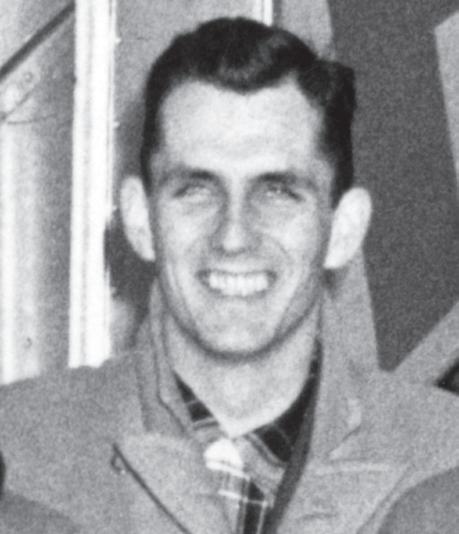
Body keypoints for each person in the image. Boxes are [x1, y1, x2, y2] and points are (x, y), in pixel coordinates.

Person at [0, 17, 458, 534]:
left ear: (344, 230)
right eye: (196, 190)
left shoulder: (446, 465)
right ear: (140, 219)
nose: (234, 235)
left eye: (278, 191)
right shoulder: (18, 457)